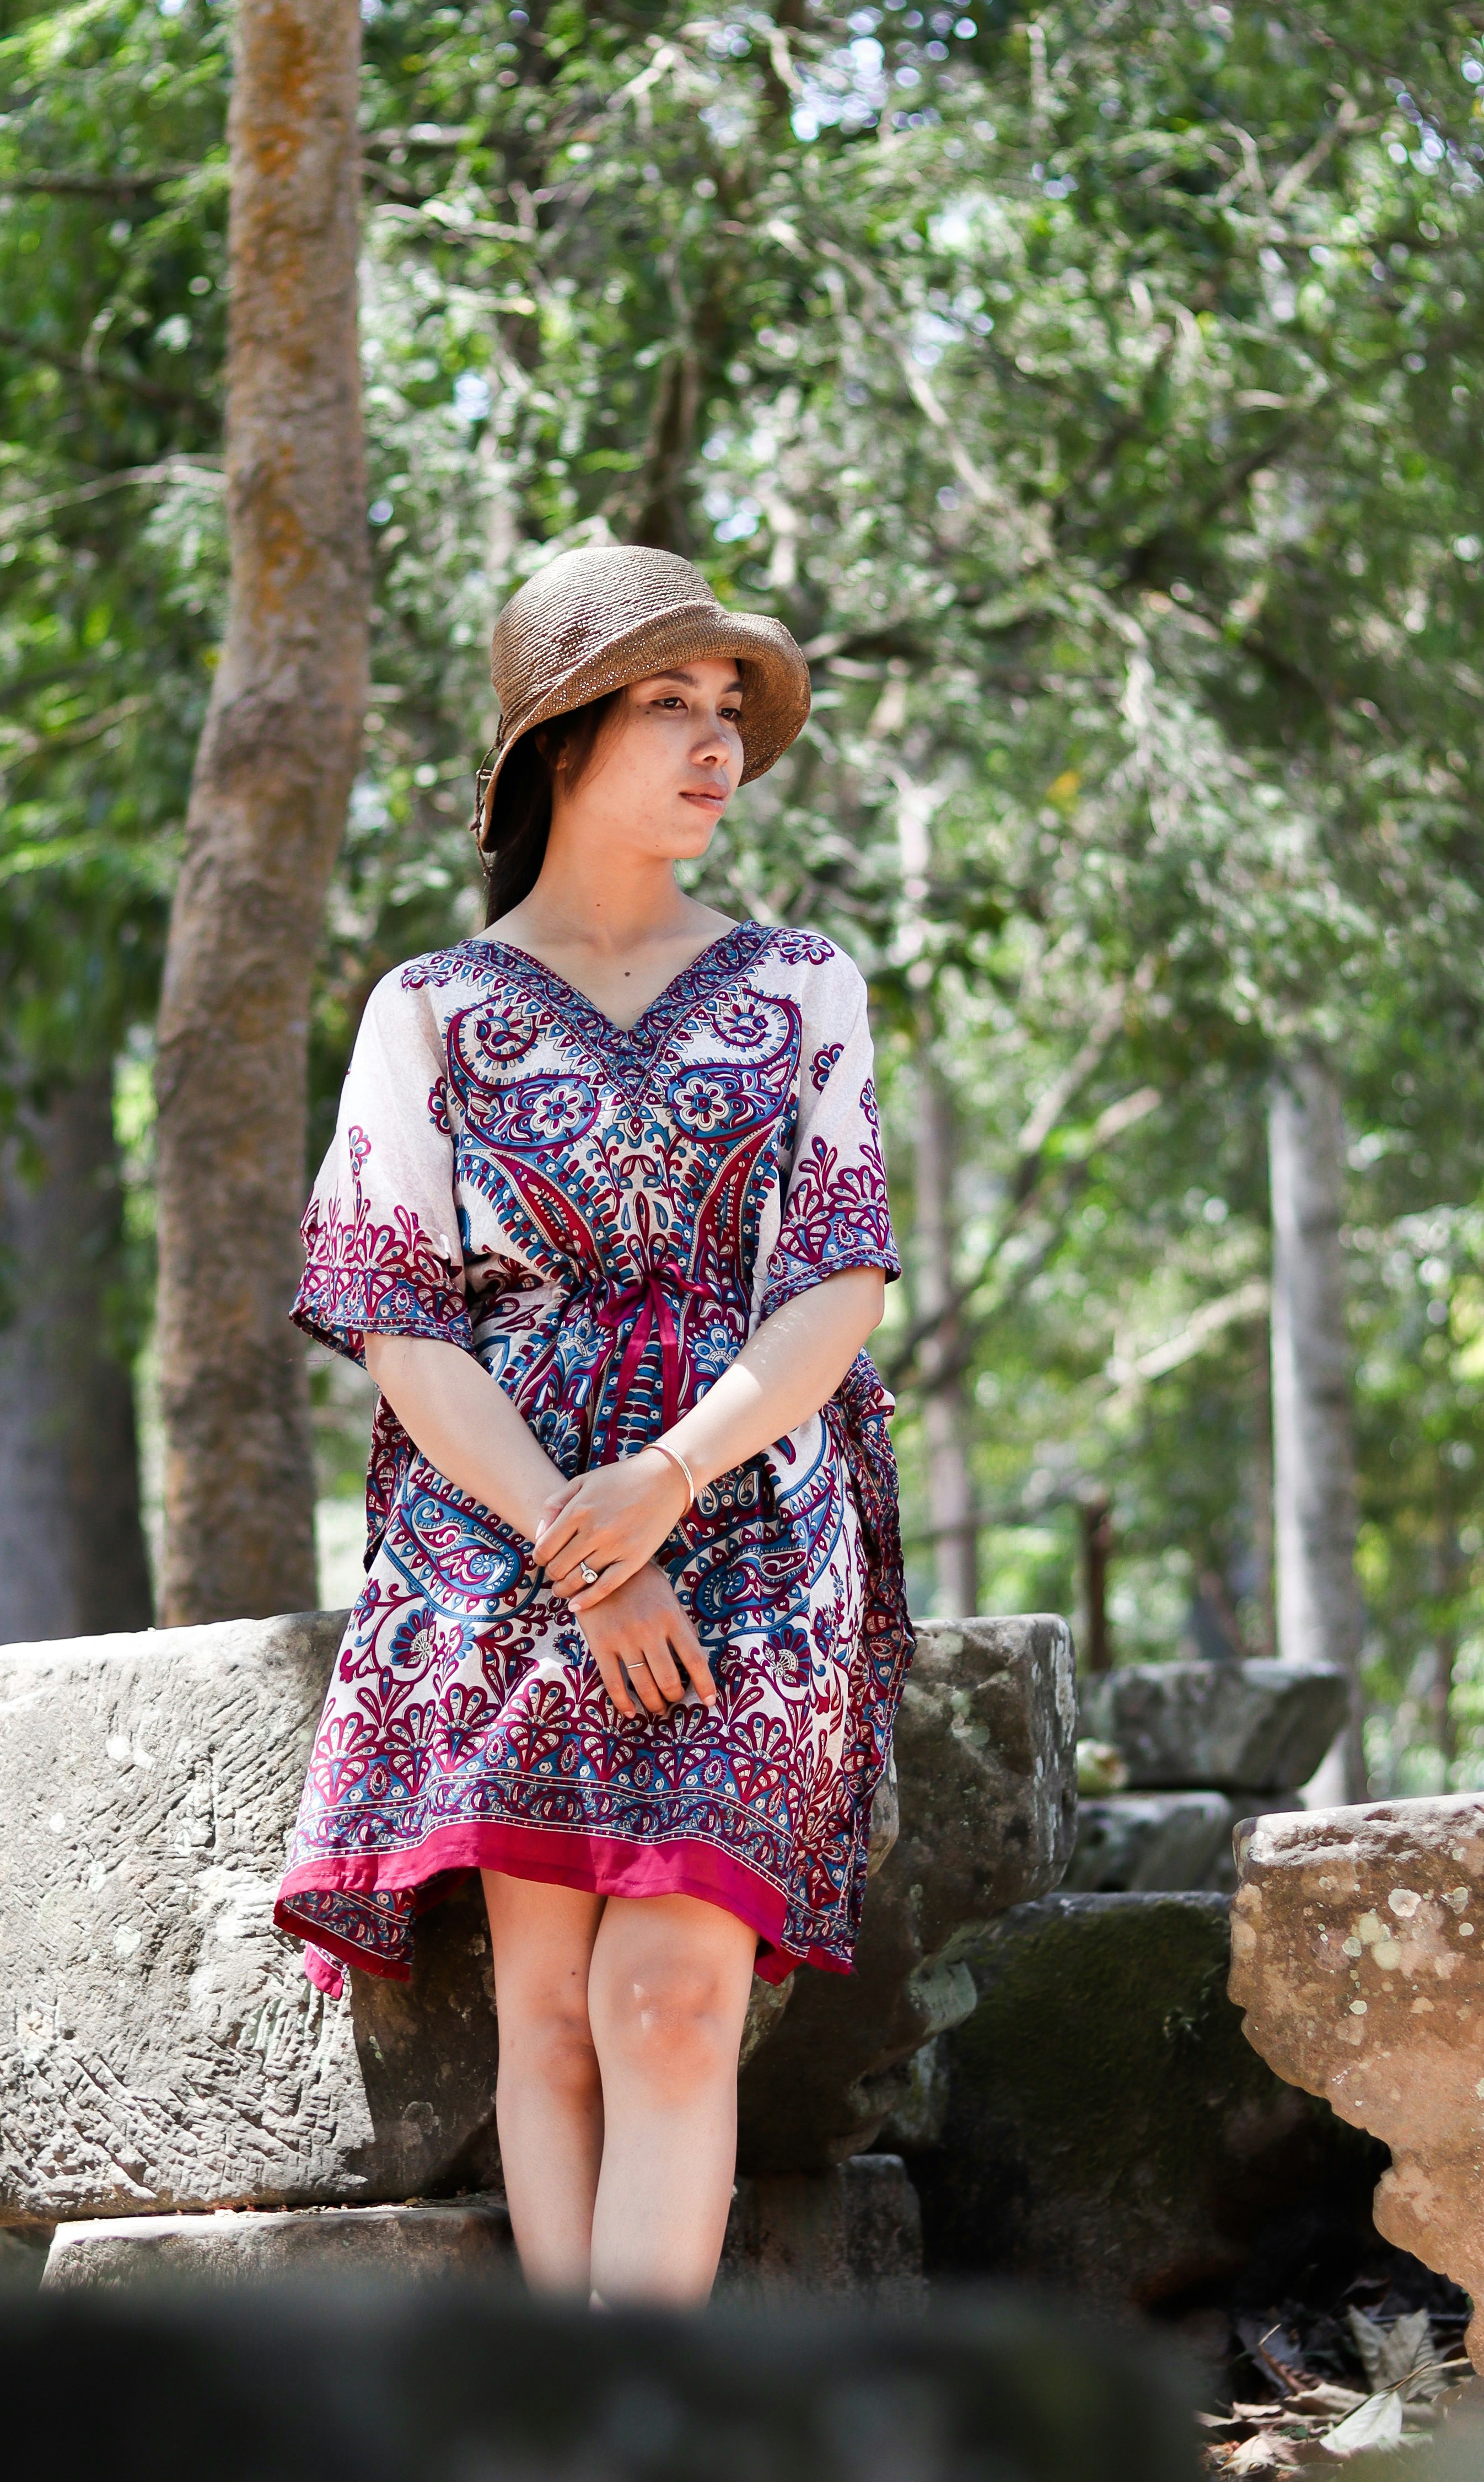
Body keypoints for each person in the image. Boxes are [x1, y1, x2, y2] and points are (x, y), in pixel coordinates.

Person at [277, 541, 911, 2304]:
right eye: (668, 707)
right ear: (559, 739)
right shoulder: (430, 1014)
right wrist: (582, 1546)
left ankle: (638, 2440)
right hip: (499, 1534)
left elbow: (840, 1286)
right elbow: (400, 1322)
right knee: (549, 2018)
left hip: (755, 1521)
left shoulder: (805, 987)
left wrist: (668, 1481)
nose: (718, 746)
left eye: (731, 713)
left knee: (671, 1993)